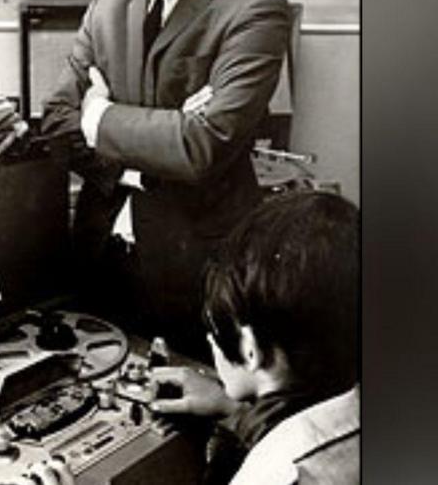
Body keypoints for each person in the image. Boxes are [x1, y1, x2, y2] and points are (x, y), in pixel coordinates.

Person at [42, 0, 293, 355]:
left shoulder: (256, 9)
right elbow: (58, 123)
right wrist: (161, 139)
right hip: (100, 261)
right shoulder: (105, 10)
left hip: (202, 277)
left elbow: (202, 145)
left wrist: (101, 118)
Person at [148, 191, 360, 484]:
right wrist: (234, 411)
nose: (212, 341)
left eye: (216, 326)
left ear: (250, 349)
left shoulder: (274, 474)